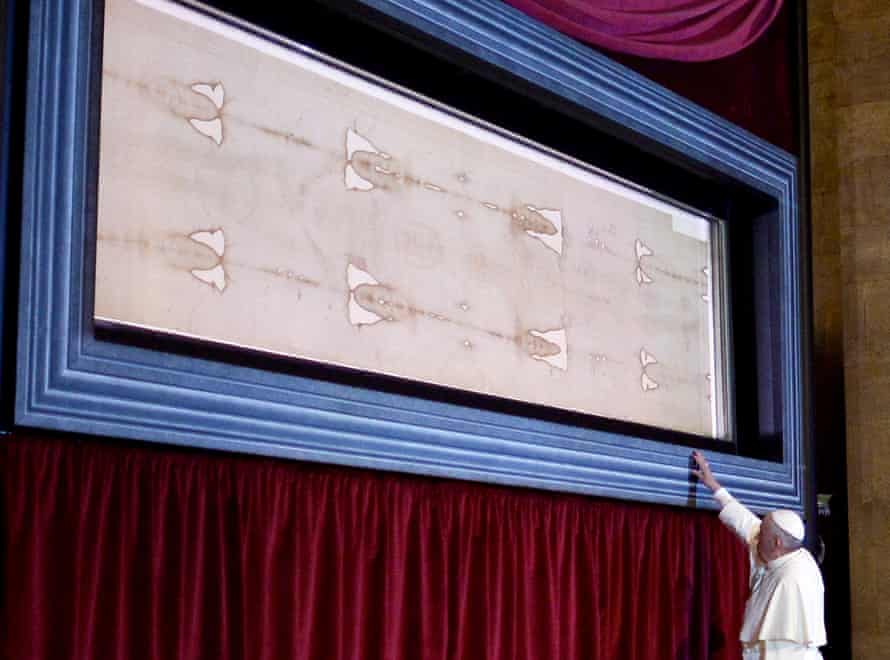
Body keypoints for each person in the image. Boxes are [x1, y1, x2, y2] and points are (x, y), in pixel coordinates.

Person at [691, 451, 826, 659]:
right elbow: (745, 523)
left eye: (762, 532)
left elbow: (782, 650)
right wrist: (713, 486)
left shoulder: (794, 580)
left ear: (777, 543)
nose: (757, 533)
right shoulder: (773, 547)